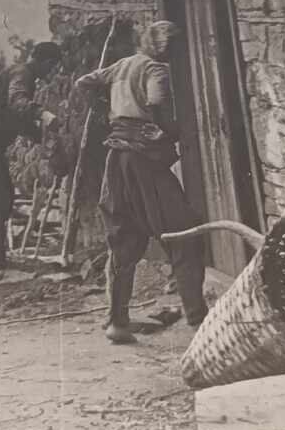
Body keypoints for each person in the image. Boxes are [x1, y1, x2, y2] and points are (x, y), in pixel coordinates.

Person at [75, 20, 206, 344]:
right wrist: (169, 131)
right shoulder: (155, 71)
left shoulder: (123, 65)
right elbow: (157, 105)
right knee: (183, 231)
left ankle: (117, 321)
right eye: (172, 48)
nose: (173, 54)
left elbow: (85, 83)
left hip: (116, 160)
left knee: (123, 237)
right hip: (143, 161)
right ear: (163, 47)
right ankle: (199, 319)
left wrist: (106, 112)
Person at [0, 41, 62, 279]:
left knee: (3, 199)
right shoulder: (21, 74)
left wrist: (44, 139)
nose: (52, 72)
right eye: (52, 66)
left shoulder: (25, 77)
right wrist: (43, 114)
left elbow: (20, 121)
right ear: (45, 62)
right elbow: (18, 103)